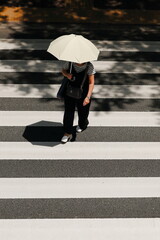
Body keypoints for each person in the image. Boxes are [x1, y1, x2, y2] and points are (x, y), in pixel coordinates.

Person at [61, 61, 95, 143]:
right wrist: (67, 75)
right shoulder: (69, 63)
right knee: (69, 112)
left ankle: (82, 124)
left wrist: (88, 97)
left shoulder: (89, 66)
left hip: (84, 92)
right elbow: (63, 70)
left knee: (83, 111)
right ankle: (67, 132)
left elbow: (91, 83)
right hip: (70, 91)